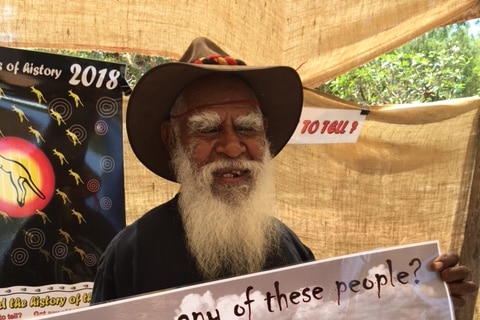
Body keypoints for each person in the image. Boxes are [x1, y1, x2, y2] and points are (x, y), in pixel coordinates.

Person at [91, 37, 477, 307]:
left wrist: (418, 297)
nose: (232, 147)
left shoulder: (289, 248)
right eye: (207, 129)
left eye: (247, 128)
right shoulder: (130, 256)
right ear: (172, 139)